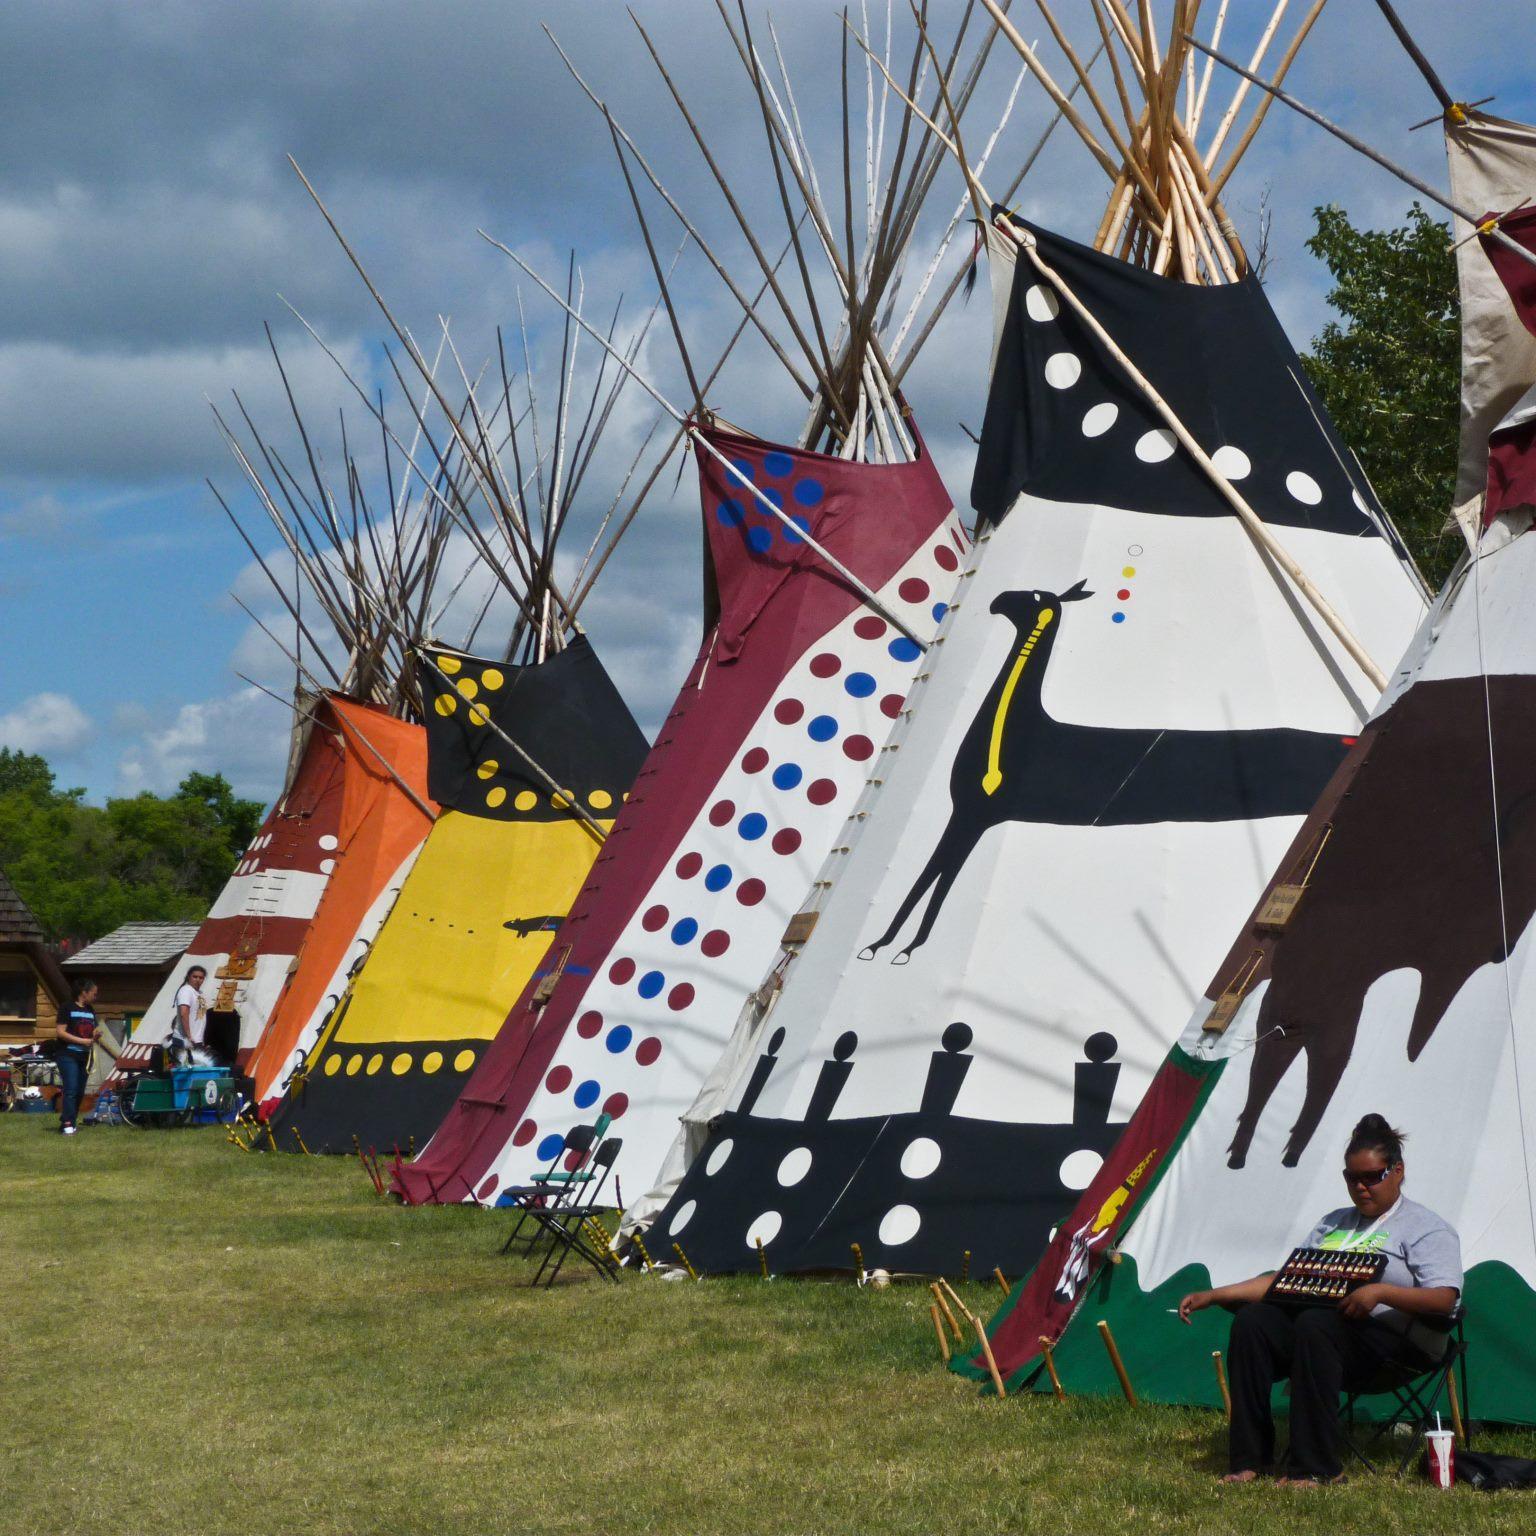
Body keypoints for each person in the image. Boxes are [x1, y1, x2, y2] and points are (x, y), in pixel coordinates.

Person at [1179, 1113, 1462, 1487]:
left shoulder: (1426, 1227)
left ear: (1397, 1171)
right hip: (1325, 1337)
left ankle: (1316, 1468)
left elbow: (1445, 1299)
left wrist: (1380, 1292)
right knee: (1253, 1322)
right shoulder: (1334, 1222)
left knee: (1316, 1324)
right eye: (1351, 1178)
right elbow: (1286, 1281)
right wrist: (1215, 1295)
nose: (1361, 1187)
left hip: (1395, 1345)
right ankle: (1249, 1461)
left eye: (1372, 1177)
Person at [55, 979, 99, 1136]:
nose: (96, 996)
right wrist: (82, 1041)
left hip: (85, 1056)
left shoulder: (90, 1010)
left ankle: (70, 1121)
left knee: (80, 1091)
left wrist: (96, 1035)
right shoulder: (67, 1008)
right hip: (67, 1054)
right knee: (71, 1088)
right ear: (84, 993)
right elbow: (60, 1032)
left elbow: (93, 1030)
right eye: (94, 993)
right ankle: (67, 1123)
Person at [173, 966, 208, 1053]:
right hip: (185, 1040)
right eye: (195, 976)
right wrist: (189, 1036)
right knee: (186, 1066)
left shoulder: (199, 993)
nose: (197, 980)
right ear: (189, 976)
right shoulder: (186, 990)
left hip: (196, 1040)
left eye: (201, 977)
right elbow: (184, 1013)